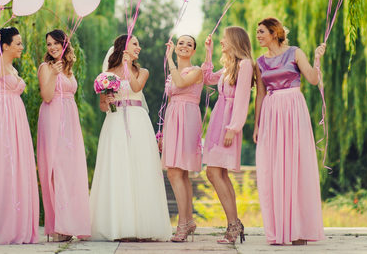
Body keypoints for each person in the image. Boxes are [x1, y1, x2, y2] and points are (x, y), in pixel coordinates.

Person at [89, 34, 172, 241]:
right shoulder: (106, 74)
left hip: (138, 121)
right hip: (115, 123)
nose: (139, 47)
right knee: (118, 169)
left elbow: (135, 87)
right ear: (124, 47)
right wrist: (107, 100)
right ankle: (119, 226)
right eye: (135, 43)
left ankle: (143, 227)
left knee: (140, 169)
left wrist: (127, 66)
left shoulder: (142, 71)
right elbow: (102, 106)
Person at [253, 17, 326, 245]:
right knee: (273, 168)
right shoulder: (260, 62)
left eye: (262, 31)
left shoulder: (295, 52)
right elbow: (260, 94)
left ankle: (299, 229)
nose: (258, 35)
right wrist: (257, 125)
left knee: (296, 165)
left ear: (274, 33)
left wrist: (316, 59)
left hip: (294, 108)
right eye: (257, 32)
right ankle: (278, 230)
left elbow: (313, 80)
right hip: (271, 112)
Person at [0, 27, 39, 245]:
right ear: (5, 46)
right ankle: (4, 224)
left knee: (18, 165)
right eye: (18, 43)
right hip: (2, 115)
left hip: (16, 116)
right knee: (4, 163)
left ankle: (18, 221)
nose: (22, 47)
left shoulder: (11, 67)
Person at [201, 26, 254, 245]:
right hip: (218, 123)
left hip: (229, 124)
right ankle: (234, 224)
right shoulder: (228, 68)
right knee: (218, 173)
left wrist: (234, 128)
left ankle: (233, 225)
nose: (222, 41)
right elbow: (206, 78)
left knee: (214, 172)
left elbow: (243, 99)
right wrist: (208, 51)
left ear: (235, 41)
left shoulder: (245, 65)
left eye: (225, 39)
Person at [36, 30, 91, 242]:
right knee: (54, 168)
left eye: (55, 43)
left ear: (64, 44)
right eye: (48, 44)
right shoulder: (46, 67)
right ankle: (58, 225)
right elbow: (47, 96)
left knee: (70, 169)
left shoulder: (69, 68)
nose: (51, 47)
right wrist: (54, 75)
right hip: (52, 117)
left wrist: (62, 72)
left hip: (70, 119)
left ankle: (72, 223)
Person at [160, 35, 203, 242]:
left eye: (189, 44)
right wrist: (163, 133)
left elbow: (180, 82)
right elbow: (169, 101)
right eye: (181, 43)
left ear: (194, 51)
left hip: (188, 118)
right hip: (173, 119)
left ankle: (183, 224)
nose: (184, 46)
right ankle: (188, 221)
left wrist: (169, 60)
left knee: (176, 172)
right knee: (179, 173)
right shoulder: (171, 76)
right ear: (176, 47)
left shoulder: (196, 71)